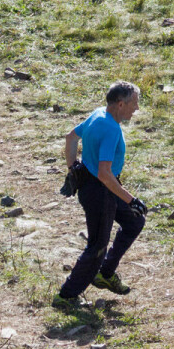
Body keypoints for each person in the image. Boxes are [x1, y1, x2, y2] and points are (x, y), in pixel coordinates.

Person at [53, 81, 146, 308]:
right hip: (100, 191)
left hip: (101, 186)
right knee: (97, 245)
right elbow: (105, 174)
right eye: (134, 103)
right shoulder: (111, 129)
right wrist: (131, 199)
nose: (136, 108)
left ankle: (104, 273)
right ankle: (66, 296)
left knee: (134, 221)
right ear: (121, 103)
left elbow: (70, 137)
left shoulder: (98, 115)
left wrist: (73, 167)